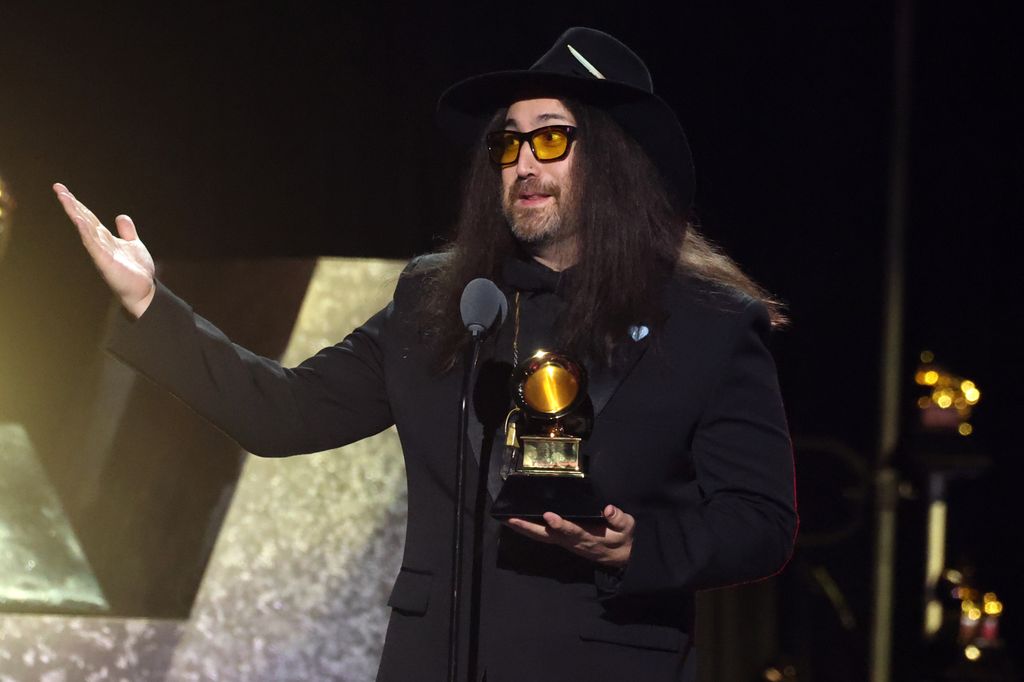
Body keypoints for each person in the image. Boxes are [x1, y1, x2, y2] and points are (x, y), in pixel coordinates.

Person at [54, 27, 796, 682]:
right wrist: (151, 304)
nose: (521, 163)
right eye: (507, 142)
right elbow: (284, 414)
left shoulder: (707, 326)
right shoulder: (440, 298)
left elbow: (760, 522)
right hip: (433, 660)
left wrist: (639, 550)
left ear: (616, 160)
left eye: (550, 137)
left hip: (600, 658)